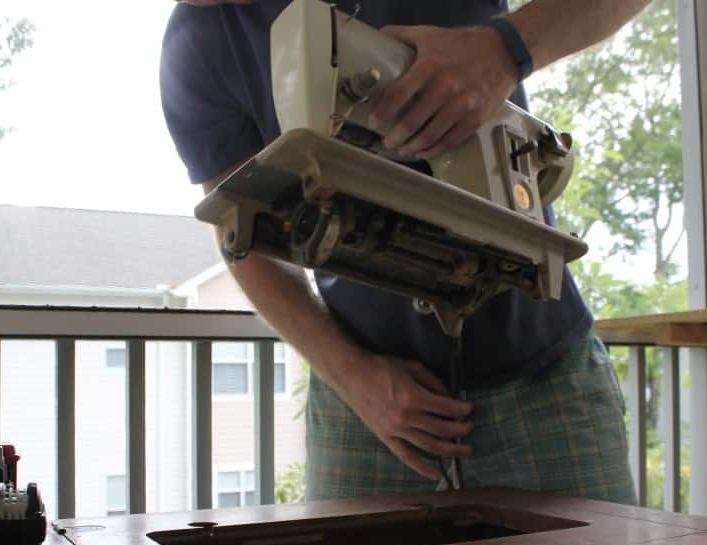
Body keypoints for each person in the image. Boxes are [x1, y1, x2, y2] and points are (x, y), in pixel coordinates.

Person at [161, 0, 650, 503]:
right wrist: (352, 376)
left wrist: (504, 50)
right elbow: (239, 227)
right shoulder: (194, 46)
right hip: (369, 410)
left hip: (545, 379)